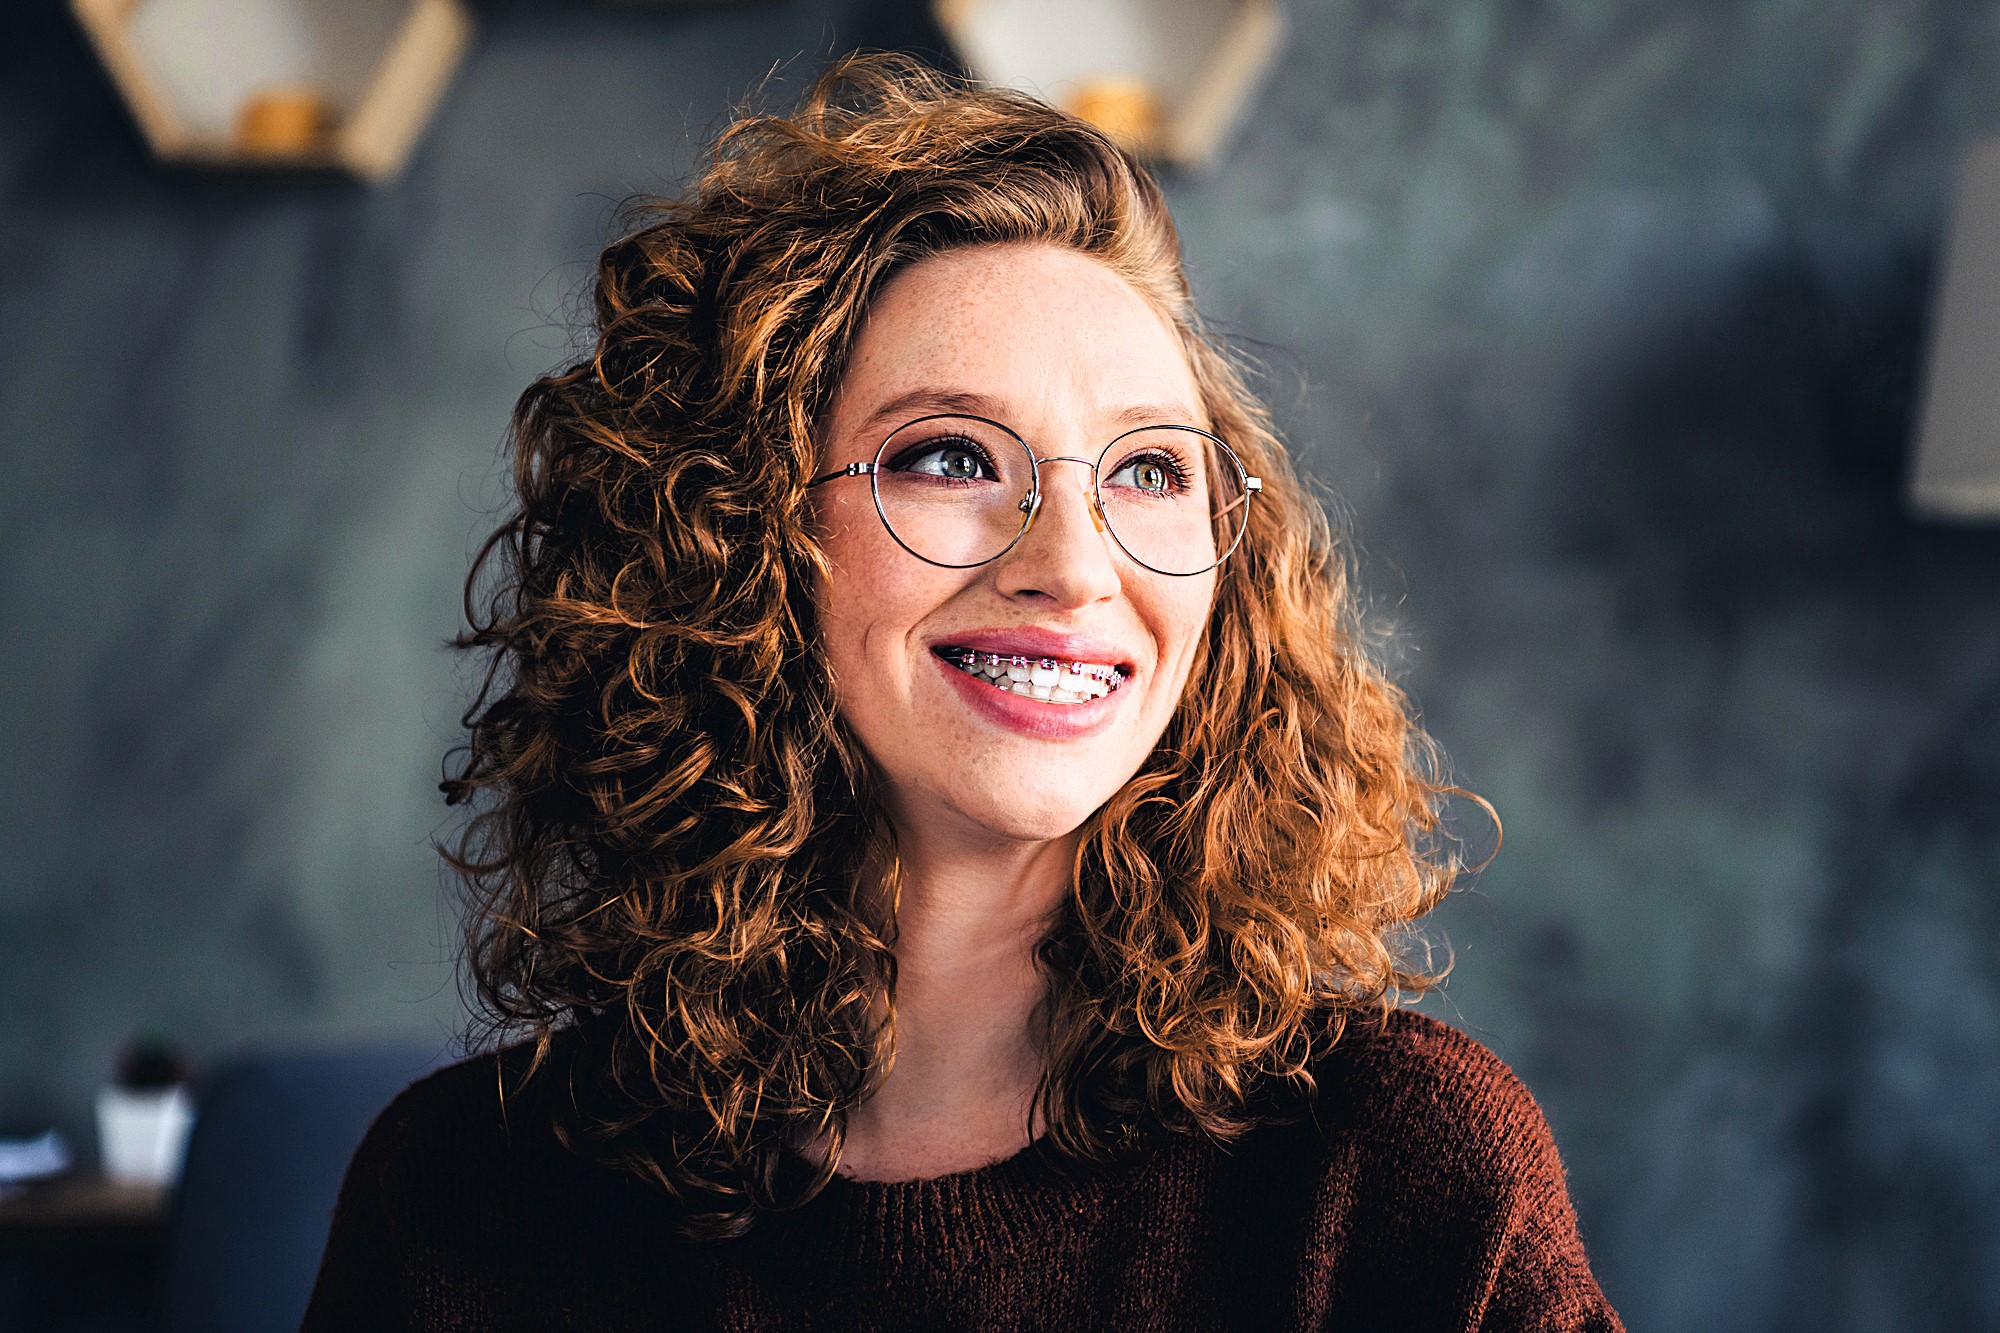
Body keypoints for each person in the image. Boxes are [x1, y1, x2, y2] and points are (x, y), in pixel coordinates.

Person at [303, 53, 1623, 1331]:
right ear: (734, 539)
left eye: (1151, 470)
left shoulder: (1396, 1178)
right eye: (949, 456)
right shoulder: (460, 1204)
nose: (1073, 564)